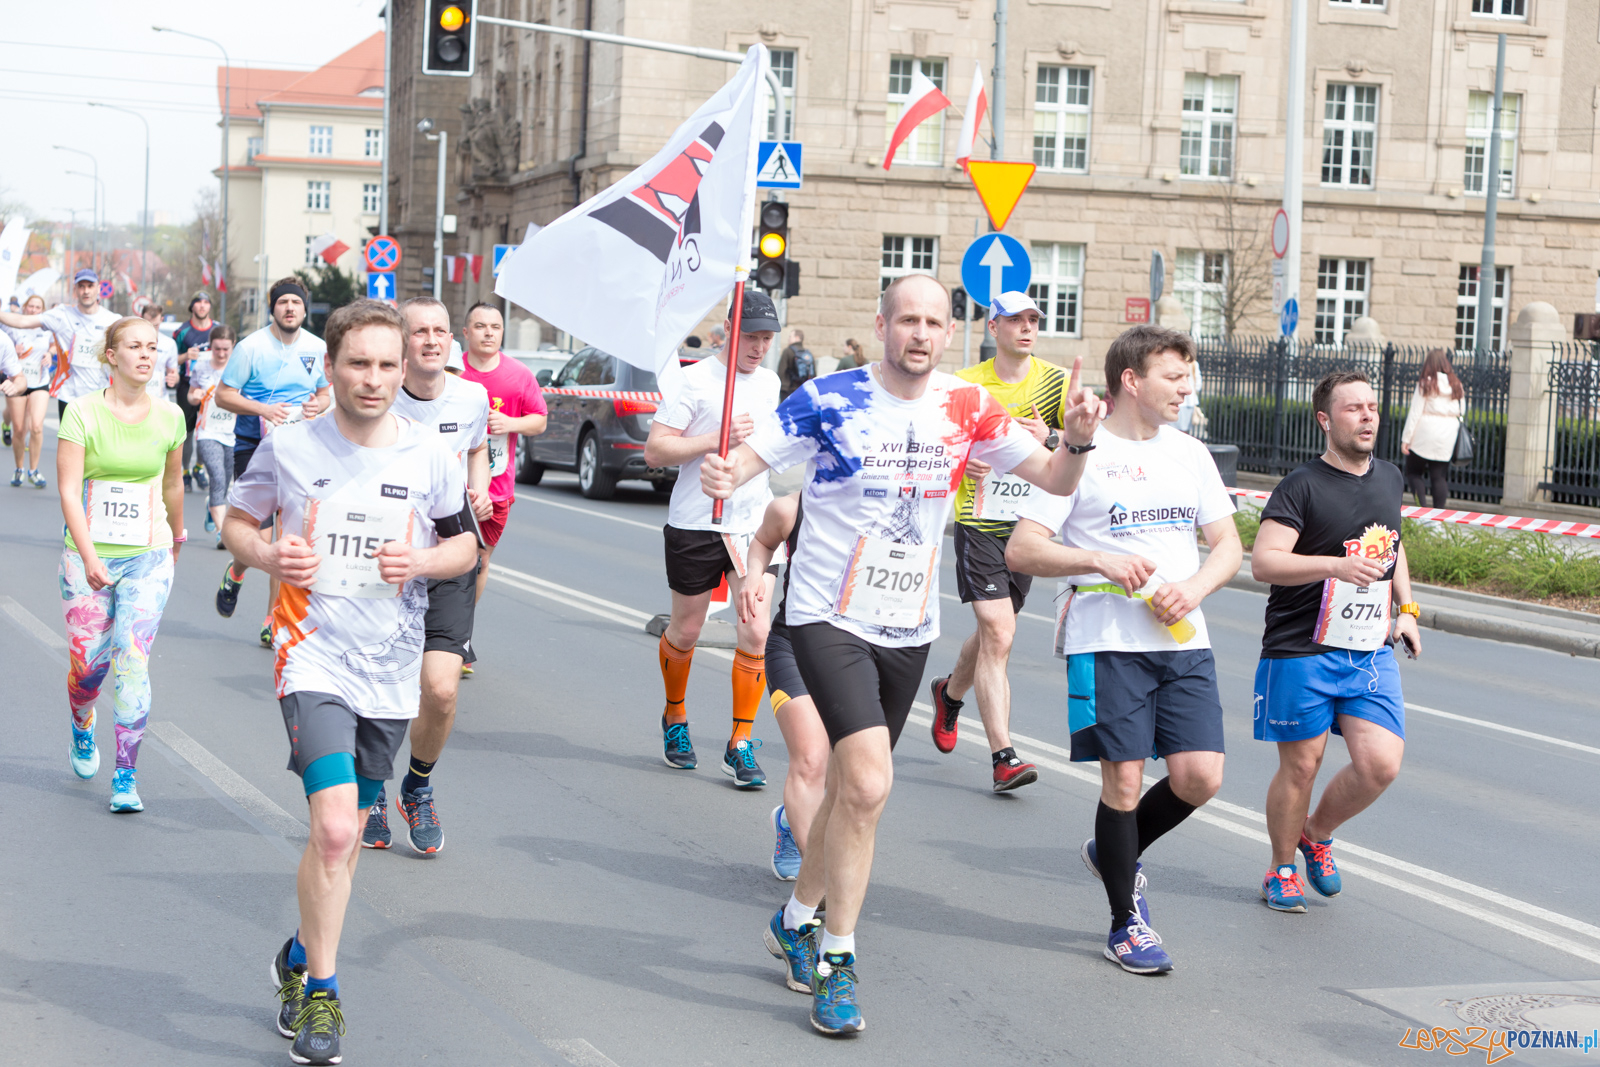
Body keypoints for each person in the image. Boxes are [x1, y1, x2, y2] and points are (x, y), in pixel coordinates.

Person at [703, 273, 1103, 1035]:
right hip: (826, 616)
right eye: (907, 319)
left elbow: (1053, 475)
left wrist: (1078, 437)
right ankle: (838, 959)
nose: (920, 333)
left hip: (908, 626)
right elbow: (749, 467)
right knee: (870, 780)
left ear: (950, 332)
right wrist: (726, 474)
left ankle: (795, 919)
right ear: (882, 323)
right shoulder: (829, 397)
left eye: (933, 322)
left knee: (857, 794)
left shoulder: (969, 405)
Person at [223, 300, 475, 1066]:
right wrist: (268, 556)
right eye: (358, 363)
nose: (373, 379)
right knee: (335, 827)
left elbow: (464, 545)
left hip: (391, 669)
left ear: (405, 370)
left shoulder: (430, 452)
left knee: (347, 838)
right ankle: (324, 993)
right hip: (313, 656)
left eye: (386, 365)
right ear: (329, 366)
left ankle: (300, 952)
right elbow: (237, 518)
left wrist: (423, 562)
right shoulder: (293, 444)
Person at [1006, 324, 1242, 974]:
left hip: (1182, 638)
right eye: (1174, 376)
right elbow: (1022, 548)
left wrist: (1192, 587)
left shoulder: (1190, 453)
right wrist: (1099, 559)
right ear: (1132, 381)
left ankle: (1113, 850)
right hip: (1106, 639)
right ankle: (1123, 922)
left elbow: (1227, 546)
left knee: (1201, 776)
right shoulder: (1079, 453)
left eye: (1189, 376)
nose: (1186, 387)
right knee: (1127, 779)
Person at [1250, 369, 1419, 914]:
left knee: (1381, 765)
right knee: (1302, 765)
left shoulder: (1389, 477)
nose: (1368, 416)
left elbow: (1392, 546)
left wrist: (1408, 610)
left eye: (1372, 407)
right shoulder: (1301, 485)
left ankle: (1316, 833)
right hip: (1301, 647)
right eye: (1354, 409)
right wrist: (1334, 567)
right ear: (1326, 420)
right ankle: (1281, 868)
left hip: (1367, 648)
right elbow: (1264, 562)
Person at [362, 296, 493, 854]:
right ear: (402, 341)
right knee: (381, 689)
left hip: (449, 554)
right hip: (385, 563)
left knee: (439, 690)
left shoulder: (473, 396)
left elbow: (478, 447)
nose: (432, 341)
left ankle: (415, 785)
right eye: (420, 332)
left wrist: (480, 485)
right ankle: (370, 792)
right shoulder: (376, 398)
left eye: (441, 331)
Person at [927, 292, 1067, 792]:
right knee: (1000, 631)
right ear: (993, 327)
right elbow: (934, 445)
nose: (1027, 328)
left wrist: (1048, 435)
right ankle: (1003, 756)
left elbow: (1086, 443)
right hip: (979, 518)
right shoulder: (964, 384)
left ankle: (949, 692)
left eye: (1034, 319)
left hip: (1028, 523)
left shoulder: (1055, 381)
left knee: (995, 633)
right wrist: (965, 459)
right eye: (1015, 320)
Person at [643, 289, 783, 786]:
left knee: (756, 631)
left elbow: (772, 447)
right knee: (687, 629)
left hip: (752, 526)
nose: (759, 347)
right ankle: (675, 717)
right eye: (751, 336)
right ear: (729, 328)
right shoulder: (694, 381)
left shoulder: (770, 382)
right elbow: (656, 451)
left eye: (767, 338)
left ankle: (740, 742)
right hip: (696, 522)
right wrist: (714, 437)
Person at [53, 315, 187, 813]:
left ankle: (126, 776)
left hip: (148, 556)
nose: (147, 355)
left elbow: (173, 482)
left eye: (153, 347)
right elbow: (68, 489)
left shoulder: (171, 416)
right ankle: (82, 723)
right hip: (86, 553)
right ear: (112, 355)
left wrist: (177, 534)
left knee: (132, 663)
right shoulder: (82, 412)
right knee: (89, 669)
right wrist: (88, 556)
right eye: (135, 346)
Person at [213, 278, 330, 646]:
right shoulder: (251, 347)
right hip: (255, 445)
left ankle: (271, 619)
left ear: (304, 308)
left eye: (296, 302)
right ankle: (236, 570)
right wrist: (263, 408)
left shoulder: (318, 347)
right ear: (272, 308)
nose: (290, 308)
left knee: (289, 536)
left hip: (302, 448)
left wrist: (319, 404)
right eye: (283, 303)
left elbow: (327, 391)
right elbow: (223, 396)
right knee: (258, 536)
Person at [740, 492, 829, 882]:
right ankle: (816, 880)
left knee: (843, 772)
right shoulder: (791, 508)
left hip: (856, 656)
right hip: (792, 646)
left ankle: (792, 821)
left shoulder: (888, 510)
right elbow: (762, 541)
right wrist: (754, 576)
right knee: (810, 758)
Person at [457, 302, 546, 607]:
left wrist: (511, 423)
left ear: (503, 333)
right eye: (480, 327)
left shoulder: (519, 375)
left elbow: (540, 419)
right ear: (467, 332)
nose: (488, 333)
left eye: (495, 327)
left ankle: (461, 630)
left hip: (496, 485)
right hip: (451, 479)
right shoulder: (453, 371)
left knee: (479, 557)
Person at [0, 268, 119, 420]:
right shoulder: (62, 315)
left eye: (90, 286)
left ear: (98, 288)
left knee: (96, 443)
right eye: (81, 286)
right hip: (69, 394)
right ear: (75, 289)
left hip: (101, 394)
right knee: (69, 443)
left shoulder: (113, 320)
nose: (86, 291)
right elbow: (22, 321)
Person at [187, 326, 238, 546]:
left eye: (226, 349)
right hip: (207, 431)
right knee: (216, 476)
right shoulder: (201, 366)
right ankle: (222, 532)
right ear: (211, 346)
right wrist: (194, 396)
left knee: (225, 482)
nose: (221, 354)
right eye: (217, 348)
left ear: (233, 347)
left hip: (232, 432)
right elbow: (191, 395)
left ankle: (212, 507)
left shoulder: (239, 368)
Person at [1400, 348, 1464, 509]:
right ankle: (1438, 518)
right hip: (1448, 434)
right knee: (1439, 477)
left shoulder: (1426, 383)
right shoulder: (1456, 384)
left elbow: (1415, 412)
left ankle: (1420, 512)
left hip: (1425, 432)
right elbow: (1462, 410)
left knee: (1414, 473)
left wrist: (1406, 439)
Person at [3, 294, 54, 487]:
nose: (33, 310)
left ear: (42, 310)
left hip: (39, 381)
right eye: (30, 306)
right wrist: (12, 351)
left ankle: (33, 470)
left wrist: (50, 354)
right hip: (18, 381)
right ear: (25, 308)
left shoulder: (46, 328)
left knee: (36, 426)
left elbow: (55, 346)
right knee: (19, 429)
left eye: (37, 307)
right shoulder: (12, 327)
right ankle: (19, 468)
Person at [174, 292, 218, 490]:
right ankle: (184, 471)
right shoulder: (182, 332)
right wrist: (185, 356)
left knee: (206, 428)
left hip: (211, 385)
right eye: (198, 302)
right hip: (187, 385)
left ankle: (199, 468)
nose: (202, 306)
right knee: (187, 431)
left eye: (206, 302)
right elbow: (170, 359)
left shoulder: (217, 329)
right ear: (191, 306)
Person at [139, 302, 181, 404]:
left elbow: (174, 373)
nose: (151, 329)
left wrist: (174, 379)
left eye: (155, 325)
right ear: (141, 319)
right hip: (137, 398)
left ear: (161, 320)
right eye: (147, 324)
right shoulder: (133, 341)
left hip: (160, 400)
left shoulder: (169, 344)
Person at [777, 328, 816, 401]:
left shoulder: (788, 351)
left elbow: (781, 371)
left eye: (790, 336)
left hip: (788, 390)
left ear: (797, 338)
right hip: (803, 390)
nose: (788, 339)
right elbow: (813, 374)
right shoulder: (808, 354)